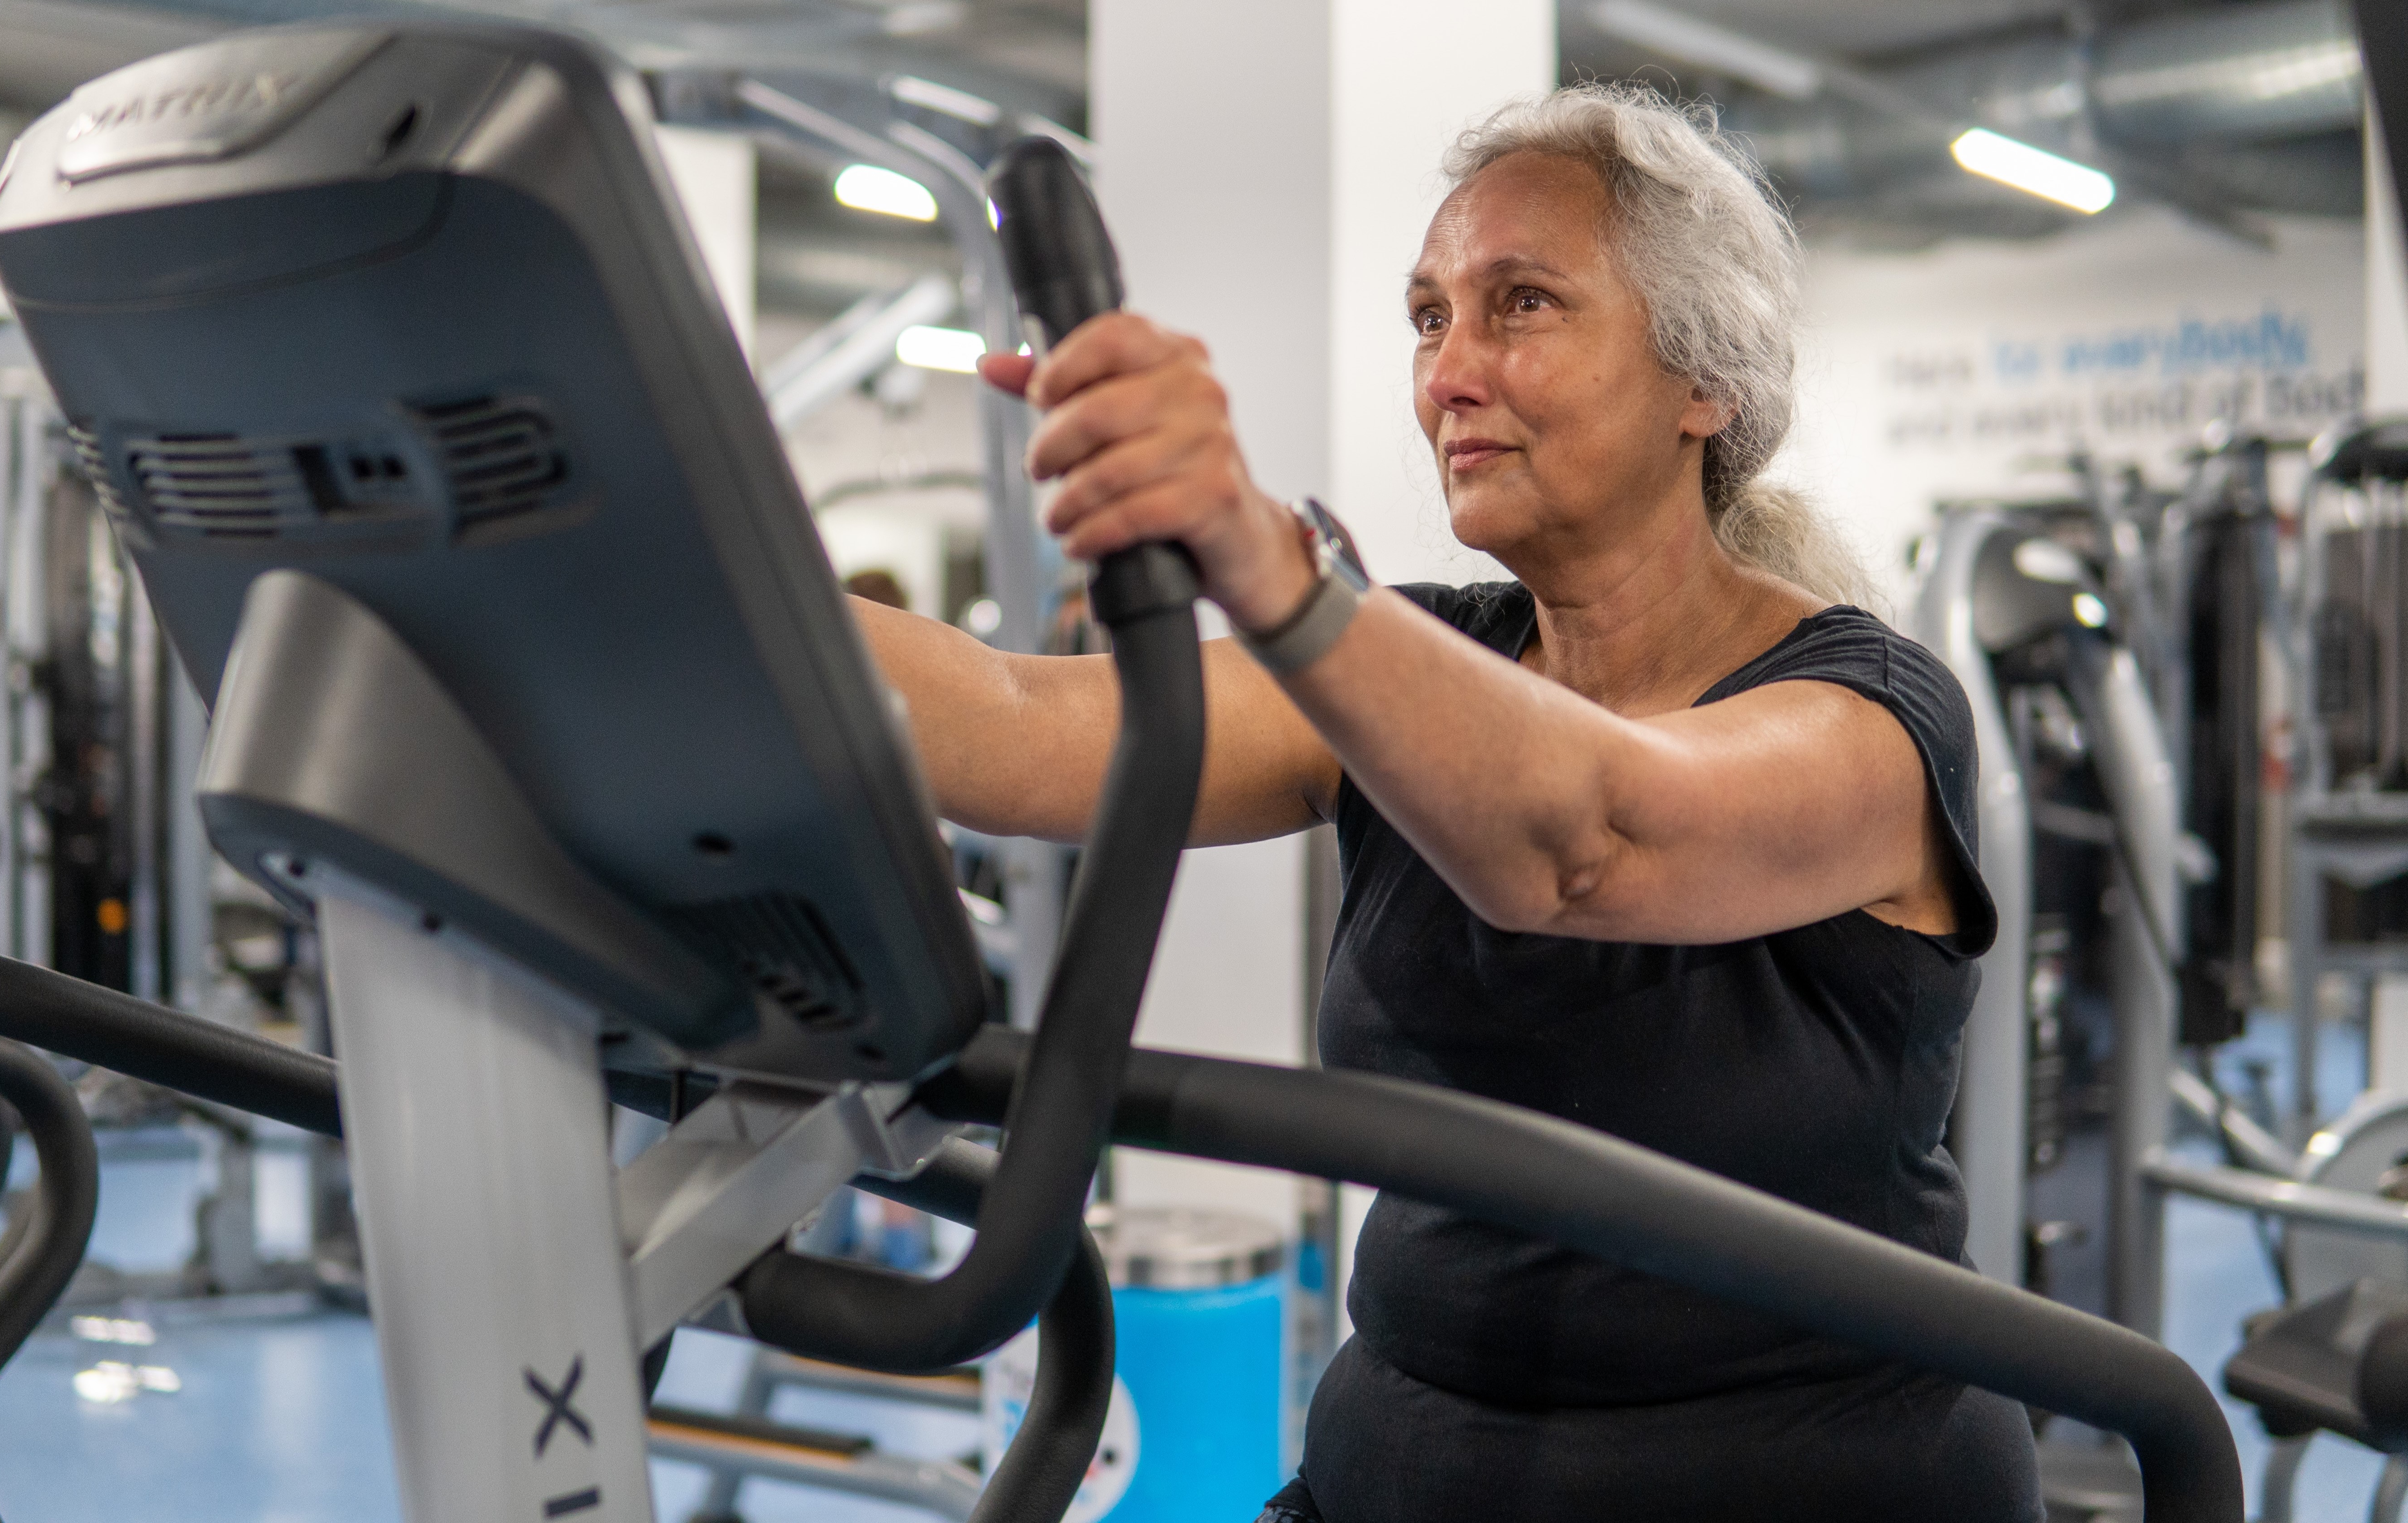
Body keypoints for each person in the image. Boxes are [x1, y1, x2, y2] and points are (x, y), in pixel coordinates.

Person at [851, 83, 2038, 1522]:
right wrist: (659, 565)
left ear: (1702, 382)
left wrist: (1257, 548)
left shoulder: (1872, 715)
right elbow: (1012, 720)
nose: (1448, 373)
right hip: (1401, 1472)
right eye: (1429, 318)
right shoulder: (1422, 668)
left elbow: (1589, 841)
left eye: (1519, 304)